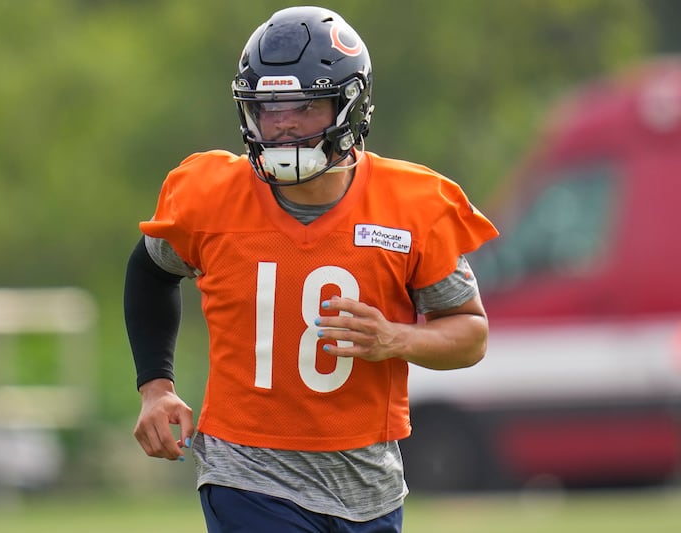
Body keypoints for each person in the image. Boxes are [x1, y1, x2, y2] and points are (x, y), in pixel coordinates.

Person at [124, 6, 499, 532]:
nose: (284, 126)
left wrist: (396, 338)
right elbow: (149, 271)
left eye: (306, 106)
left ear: (351, 105)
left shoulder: (412, 205)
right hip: (247, 475)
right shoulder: (209, 197)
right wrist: (156, 386)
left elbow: (471, 334)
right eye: (270, 108)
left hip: (368, 484)